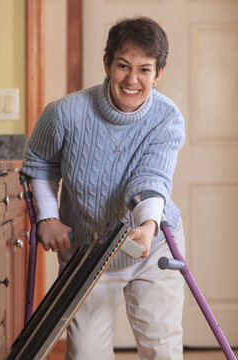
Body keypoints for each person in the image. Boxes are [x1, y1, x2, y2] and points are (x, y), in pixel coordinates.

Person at [22, 16, 185, 360]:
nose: (132, 79)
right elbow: (39, 163)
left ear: (159, 74)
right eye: (123, 66)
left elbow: (151, 178)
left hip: (151, 244)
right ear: (107, 64)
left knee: (162, 347)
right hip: (87, 246)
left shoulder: (168, 118)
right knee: (85, 354)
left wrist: (147, 225)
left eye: (145, 69)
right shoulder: (66, 113)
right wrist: (48, 217)